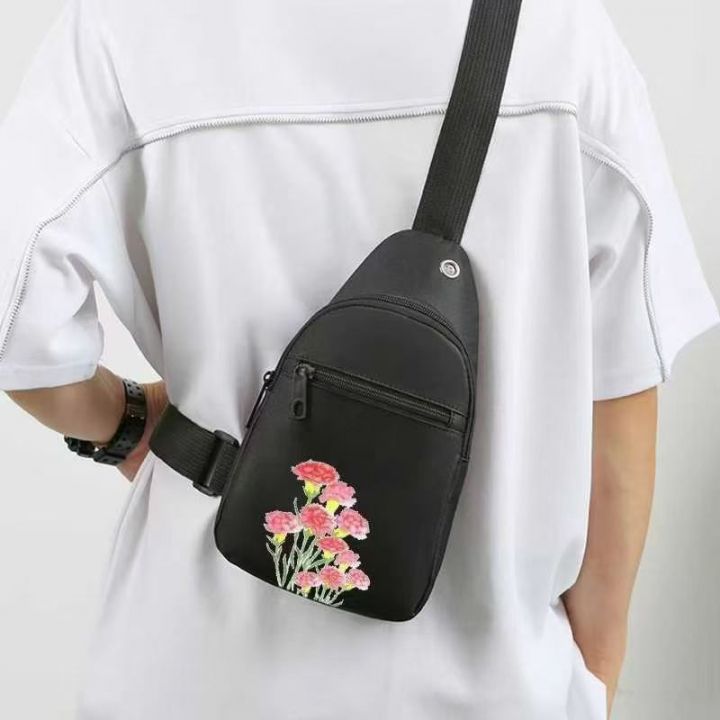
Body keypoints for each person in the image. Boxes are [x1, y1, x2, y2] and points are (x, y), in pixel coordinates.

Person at [0, 0, 717, 718]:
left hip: (191, 672)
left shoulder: (123, 29)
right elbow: (620, 393)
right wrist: (592, 677)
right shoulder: (561, 35)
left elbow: (16, 326)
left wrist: (129, 423)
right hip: (492, 687)